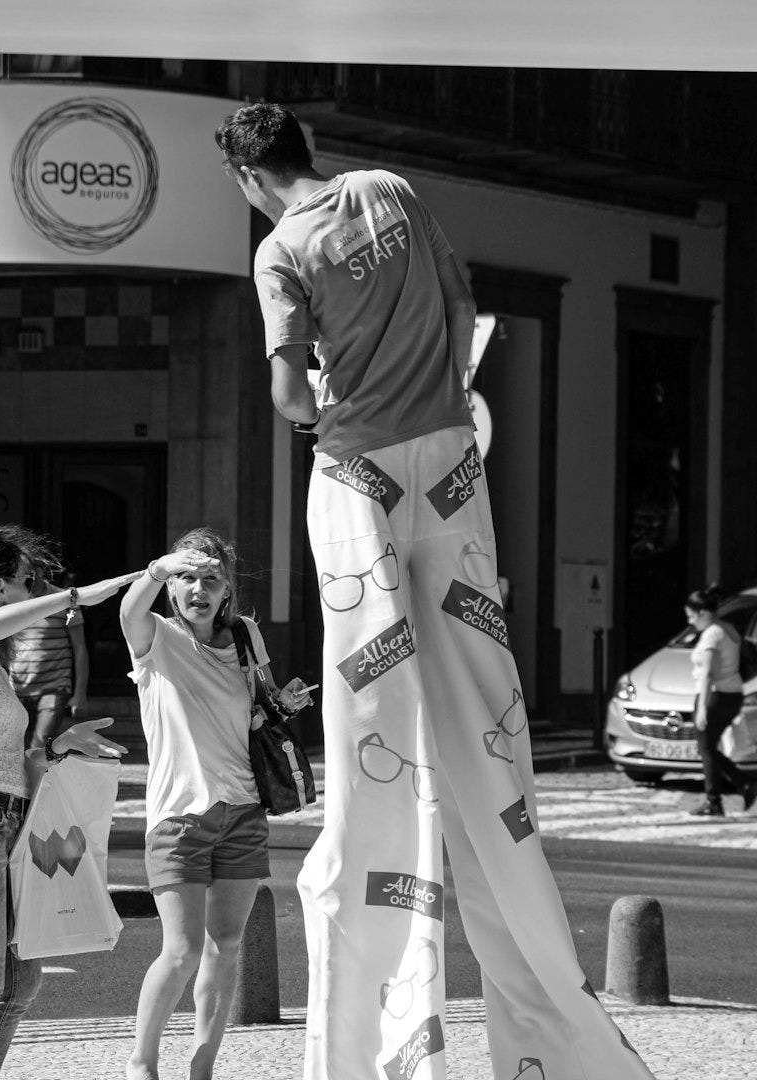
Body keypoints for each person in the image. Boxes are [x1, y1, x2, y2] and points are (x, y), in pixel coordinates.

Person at [216, 103, 657, 1080]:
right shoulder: (390, 192)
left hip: (357, 474)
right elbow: (460, 307)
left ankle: (386, 1051)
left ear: (249, 179)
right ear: (307, 152)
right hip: (452, 463)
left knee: (376, 738)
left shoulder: (281, 250)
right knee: (481, 737)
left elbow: (291, 393)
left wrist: (327, 410)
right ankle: (566, 1051)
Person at [0, 523, 133, 1080]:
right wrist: (74, 597)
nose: (32, 592)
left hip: (9, 816)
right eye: (25, 582)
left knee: (21, 981)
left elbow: (12, 759)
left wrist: (59, 744)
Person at [119, 526, 312, 1080]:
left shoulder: (247, 634)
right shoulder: (153, 634)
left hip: (243, 811)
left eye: (210, 579)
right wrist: (159, 566)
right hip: (179, 816)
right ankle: (142, 1061)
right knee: (179, 950)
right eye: (187, 578)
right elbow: (130, 609)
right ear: (171, 586)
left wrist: (285, 703)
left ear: (227, 587)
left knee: (225, 944)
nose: (198, 590)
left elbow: (264, 703)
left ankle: (203, 1064)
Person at [685, 585, 757, 817]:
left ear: (704, 613)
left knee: (706, 748)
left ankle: (714, 801)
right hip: (732, 694)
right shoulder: (729, 629)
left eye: (692, 616)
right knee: (709, 747)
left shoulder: (712, 634)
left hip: (715, 695)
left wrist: (702, 708)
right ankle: (743, 784)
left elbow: (708, 672)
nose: (691, 622)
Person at [9, 564, 89, 750]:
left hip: (53, 687)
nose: (24, 579)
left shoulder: (66, 600)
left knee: (39, 744)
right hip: (18, 689)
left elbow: (80, 648)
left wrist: (80, 694)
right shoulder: (12, 602)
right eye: (18, 575)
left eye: (29, 573)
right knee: (17, 749)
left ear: (39, 571)